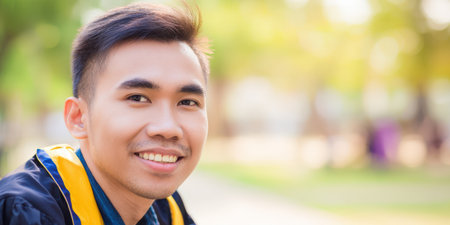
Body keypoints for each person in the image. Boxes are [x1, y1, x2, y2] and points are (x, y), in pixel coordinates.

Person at [0, 2, 211, 225]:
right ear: (78, 118)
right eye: (137, 98)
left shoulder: (167, 210)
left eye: (187, 102)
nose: (168, 128)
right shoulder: (26, 213)